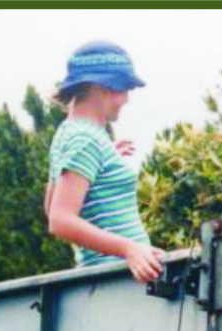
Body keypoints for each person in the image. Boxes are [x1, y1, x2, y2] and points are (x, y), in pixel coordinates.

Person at [46, 40, 165, 283]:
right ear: (102, 86)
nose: (126, 99)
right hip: (115, 278)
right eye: (123, 89)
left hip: (112, 277)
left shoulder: (72, 134)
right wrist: (129, 249)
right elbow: (59, 219)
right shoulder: (85, 139)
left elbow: (51, 207)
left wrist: (105, 160)